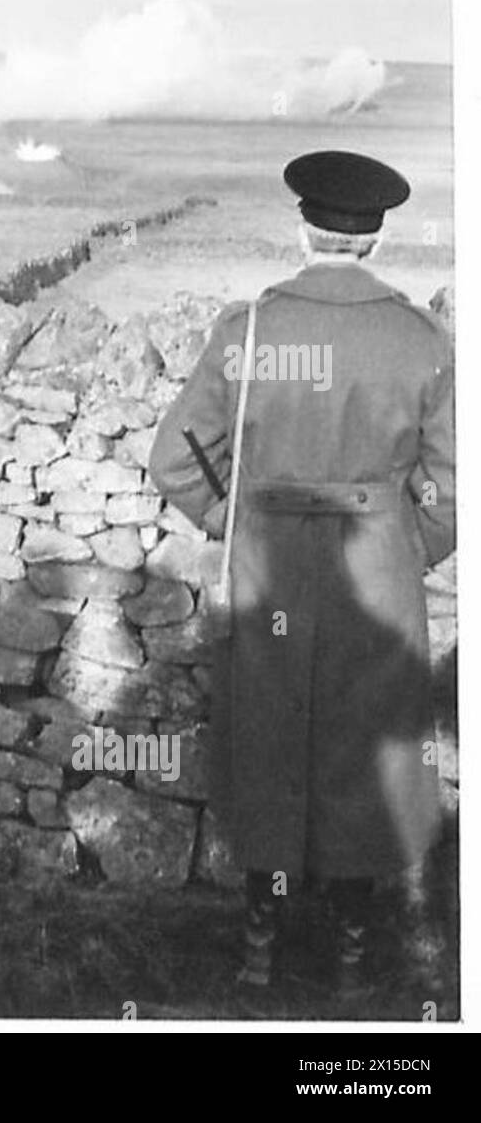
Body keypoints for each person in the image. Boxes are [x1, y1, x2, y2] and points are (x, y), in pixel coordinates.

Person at [149, 150, 454, 994]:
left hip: (271, 570)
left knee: (270, 746)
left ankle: (258, 943)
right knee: (362, 753)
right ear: (375, 235)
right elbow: (457, 485)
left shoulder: (250, 330)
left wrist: (231, 523)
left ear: (304, 227)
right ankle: (355, 952)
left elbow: (176, 458)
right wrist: (406, 545)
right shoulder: (420, 338)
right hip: (376, 574)